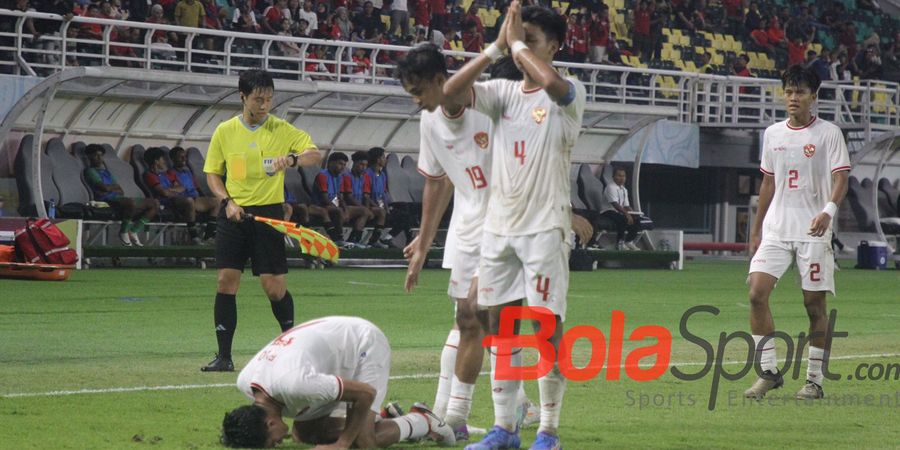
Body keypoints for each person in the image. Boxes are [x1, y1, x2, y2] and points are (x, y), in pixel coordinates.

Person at [442, 3, 586, 449]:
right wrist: (492, 50)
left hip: (545, 229)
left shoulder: (569, 92)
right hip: (499, 229)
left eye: (533, 40)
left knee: (544, 325)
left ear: (555, 46)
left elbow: (552, 83)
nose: (521, 48)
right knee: (499, 326)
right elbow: (448, 94)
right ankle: (504, 429)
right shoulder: (503, 92)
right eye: (519, 38)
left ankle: (548, 431)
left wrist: (518, 45)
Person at [200, 69, 321, 372]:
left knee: (274, 289)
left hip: (269, 215)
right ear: (243, 97)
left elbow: (314, 154)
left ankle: (293, 351)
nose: (265, 105)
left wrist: (292, 159)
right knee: (226, 281)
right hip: (234, 214)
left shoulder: (282, 129)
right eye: (258, 99)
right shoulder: (225, 131)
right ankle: (224, 356)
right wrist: (227, 202)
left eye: (269, 99)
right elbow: (213, 174)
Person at [744, 65, 850, 401]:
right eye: (788, 91)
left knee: (813, 305)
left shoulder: (828, 134)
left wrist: (827, 212)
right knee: (756, 293)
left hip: (813, 230)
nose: (793, 98)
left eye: (800, 92)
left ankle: (814, 381)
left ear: (813, 97)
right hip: (777, 227)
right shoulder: (772, 133)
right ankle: (769, 371)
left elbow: (841, 179)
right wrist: (757, 229)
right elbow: (768, 182)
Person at [221, 316, 456, 448]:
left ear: (270, 424)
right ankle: (383, 418)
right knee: (305, 436)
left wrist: (342, 443)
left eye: (272, 443)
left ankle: (422, 420)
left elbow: (365, 393)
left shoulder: (295, 384)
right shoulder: (246, 382)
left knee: (363, 441)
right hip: (330, 352)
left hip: (362, 345)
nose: (277, 445)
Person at [83, 144, 159, 247]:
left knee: (154, 203)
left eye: (101, 156)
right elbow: (103, 188)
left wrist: (110, 188)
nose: (100, 158)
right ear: (89, 157)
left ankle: (133, 231)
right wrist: (111, 188)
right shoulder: (90, 171)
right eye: (96, 156)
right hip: (105, 200)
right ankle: (123, 231)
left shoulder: (106, 172)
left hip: (117, 198)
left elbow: (120, 190)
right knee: (131, 203)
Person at [143, 147, 204, 244]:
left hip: (177, 199)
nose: (164, 162)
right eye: (162, 159)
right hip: (167, 202)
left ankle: (210, 236)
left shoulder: (166, 174)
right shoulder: (150, 175)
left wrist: (169, 190)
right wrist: (173, 191)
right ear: (156, 161)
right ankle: (194, 235)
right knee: (188, 200)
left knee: (215, 202)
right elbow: (164, 193)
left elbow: (181, 187)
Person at [314, 152, 372, 247]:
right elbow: (324, 198)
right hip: (322, 206)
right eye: (340, 164)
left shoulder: (339, 177)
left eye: (344, 165)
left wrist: (345, 209)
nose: (342, 167)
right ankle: (339, 239)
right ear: (331, 163)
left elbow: (340, 196)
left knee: (364, 211)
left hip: (336, 207)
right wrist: (341, 209)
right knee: (339, 210)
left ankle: (354, 240)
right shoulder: (322, 175)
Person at [168, 146, 221, 241]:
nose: (184, 159)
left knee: (217, 201)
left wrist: (205, 198)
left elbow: (196, 187)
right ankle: (194, 236)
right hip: (183, 200)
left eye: (185, 156)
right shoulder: (170, 173)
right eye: (181, 157)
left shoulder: (187, 172)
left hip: (195, 199)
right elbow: (173, 189)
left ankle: (208, 235)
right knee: (189, 201)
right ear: (173, 159)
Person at [345, 151, 390, 248]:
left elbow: (366, 195)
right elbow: (349, 197)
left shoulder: (365, 177)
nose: (364, 167)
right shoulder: (347, 177)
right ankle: (354, 239)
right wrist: (365, 208)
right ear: (354, 163)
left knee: (381, 212)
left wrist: (368, 208)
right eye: (361, 164)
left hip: (361, 206)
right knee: (364, 212)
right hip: (350, 206)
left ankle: (374, 240)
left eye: (365, 165)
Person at [600, 167, 641, 250]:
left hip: (619, 212)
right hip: (608, 211)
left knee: (637, 218)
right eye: (619, 176)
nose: (622, 178)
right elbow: (615, 204)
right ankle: (620, 243)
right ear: (613, 177)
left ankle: (629, 241)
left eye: (624, 176)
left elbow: (626, 205)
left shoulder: (624, 189)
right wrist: (626, 214)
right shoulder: (610, 187)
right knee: (623, 218)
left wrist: (633, 213)